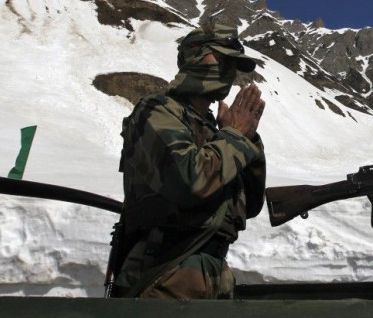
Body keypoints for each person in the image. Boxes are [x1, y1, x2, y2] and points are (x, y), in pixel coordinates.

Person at [113, 24, 266, 299]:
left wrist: (249, 140)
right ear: (194, 56)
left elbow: (250, 205)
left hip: (214, 276)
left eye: (234, 64)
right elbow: (190, 180)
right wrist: (235, 138)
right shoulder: (155, 110)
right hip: (164, 274)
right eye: (222, 59)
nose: (229, 71)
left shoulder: (214, 131)